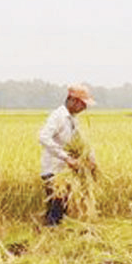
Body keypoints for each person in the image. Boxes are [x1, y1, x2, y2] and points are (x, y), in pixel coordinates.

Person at [39, 85, 97, 226]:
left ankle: (52, 236)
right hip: (53, 171)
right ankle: (49, 237)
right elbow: (43, 137)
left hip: (64, 171)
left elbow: (79, 143)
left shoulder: (72, 119)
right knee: (56, 209)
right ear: (73, 101)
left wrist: (90, 158)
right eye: (83, 104)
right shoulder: (58, 116)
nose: (84, 108)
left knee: (62, 208)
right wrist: (66, 157)